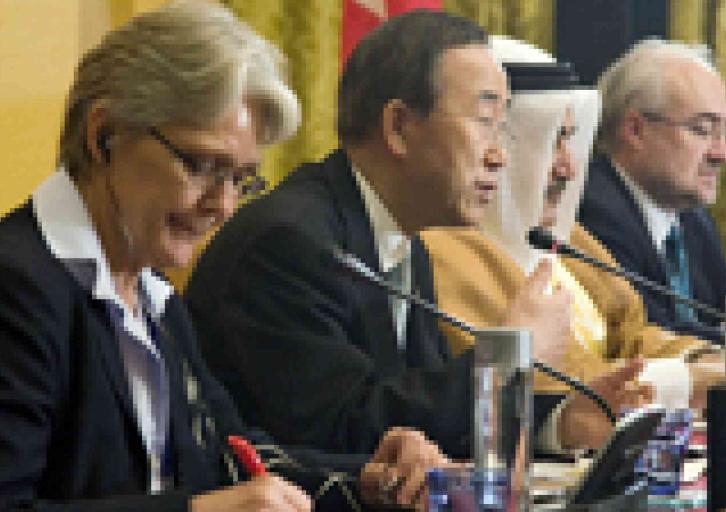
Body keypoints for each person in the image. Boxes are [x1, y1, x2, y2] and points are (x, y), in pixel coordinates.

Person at [0, 3, 448, 511]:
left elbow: (228, 455)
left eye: (239, 179)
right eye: (203, 166)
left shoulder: (152, 293)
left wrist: (367, 479)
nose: (224, 205)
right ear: (104, 136)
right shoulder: (17, 285)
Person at [186, 9, 643, 458]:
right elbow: (344, 430)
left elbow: (419, 411)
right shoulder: (290, 244)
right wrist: (506, 357)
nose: (499, 156)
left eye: (503, 129)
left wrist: (560, 422)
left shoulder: (404, 239)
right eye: (485, 122)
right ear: (400, 127)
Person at [422, 37, 704, 450]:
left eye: (571, 140)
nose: (568, 168)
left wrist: (705, 359)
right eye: (553, 141)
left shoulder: (565, 236)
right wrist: (683, 380)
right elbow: (539, 381)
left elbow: (634, 334)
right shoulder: (442, 248)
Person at [578, 39, 726, 342]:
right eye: (703, 130)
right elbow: (650, 334)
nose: (722, 153)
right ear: (635, 130)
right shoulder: (594, 212)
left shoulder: (692, 217)